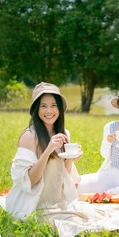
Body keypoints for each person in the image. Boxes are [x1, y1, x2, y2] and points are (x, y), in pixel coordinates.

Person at [6, 82, 82, 219]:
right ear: (37, 109)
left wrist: (70, 158)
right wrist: (48, 151)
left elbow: (63, 173)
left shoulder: (64, 133)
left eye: (54, 105)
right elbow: (29, 181)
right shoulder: (30, 136)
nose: (49, 111)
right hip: (33, 203)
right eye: (43, 106)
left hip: (56, 201)